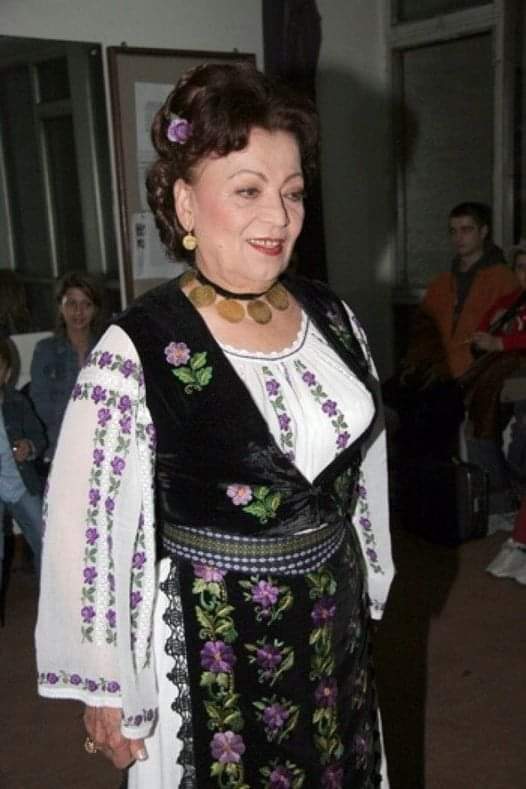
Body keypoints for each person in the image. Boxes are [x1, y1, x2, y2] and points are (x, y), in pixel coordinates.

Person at [36, 63, 393, 788]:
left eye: (293, 192)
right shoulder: (137, 348)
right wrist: (108, 689)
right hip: (212, 653)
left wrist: (370, 569)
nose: (280, 218)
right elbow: (90, 522)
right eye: (249, 190)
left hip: (334, 633)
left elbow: (365, 462)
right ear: (185, 203)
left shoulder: (334, 317)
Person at [30, 270, 106, 462]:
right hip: (59, 448)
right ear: (60, 307)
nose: (79, 312)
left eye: (86, 304)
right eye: (72, 304)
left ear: (95, 309)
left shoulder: (107, 349)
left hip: (102, 446)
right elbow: (42, 408)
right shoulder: (45, 350)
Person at [0, 338, 46, 589]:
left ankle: (49, 597)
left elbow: (39, 438)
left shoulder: (17, 401)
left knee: (45, 539)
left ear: (6, 373)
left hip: (21, 483)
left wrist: (29, 447)